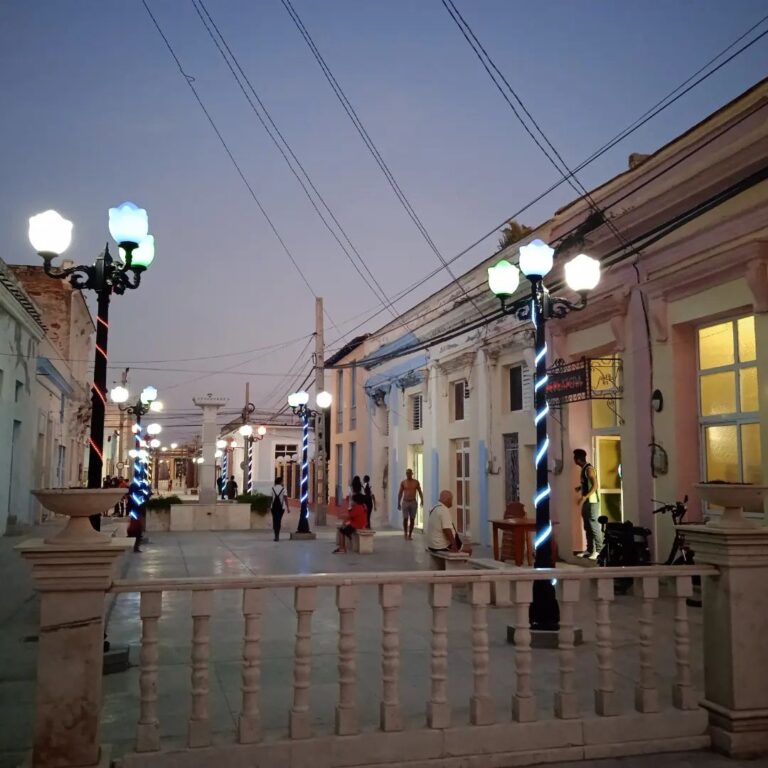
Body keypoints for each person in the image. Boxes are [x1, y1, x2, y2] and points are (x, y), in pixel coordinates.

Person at [574, 448, 602, 559]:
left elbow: (595, 485)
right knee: (587, 526)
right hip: (587, 502)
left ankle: (599, 551)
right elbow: (588, 483)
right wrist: (580, 488)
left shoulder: (589, 469)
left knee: (593, 526)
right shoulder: (583, 469)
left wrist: (584, 496)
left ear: (578, 459)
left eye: (575, 458)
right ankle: (590, 550)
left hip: (592, 502)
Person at [334, 476, 367, 553]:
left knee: (342, 531)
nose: (352, 502)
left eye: (353, 501)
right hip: (360, 523)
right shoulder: (362, 506)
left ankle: (342, 548)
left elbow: (349, 517)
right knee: (345, 526)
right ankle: (346, 540)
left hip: (357, 524)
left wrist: (341, 518)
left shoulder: (356, 508)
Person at [397, 468, 423, 540]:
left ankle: (410, 534)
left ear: (412, 474)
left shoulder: (416, 482)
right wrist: (398, 503)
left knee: (412, 519)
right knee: (405, 518)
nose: (408, 474)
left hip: (413, 502)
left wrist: (422, 500)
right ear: (406, 474)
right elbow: (400, 493)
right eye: (407, 473)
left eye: (409, 473)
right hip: (405, 502)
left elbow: (420, 491)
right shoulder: (403, 482)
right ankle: (405, 532)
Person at [270, 476, 290, 541]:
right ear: (281, 482)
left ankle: (276, 535)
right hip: (281, 507)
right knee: (279, 520)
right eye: (282, 481)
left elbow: (271, 498)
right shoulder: (284, 489)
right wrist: (288, 508)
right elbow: (285, 498)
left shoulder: (272, 488)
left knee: (275, 520)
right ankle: (277, 535)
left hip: (273, 507)